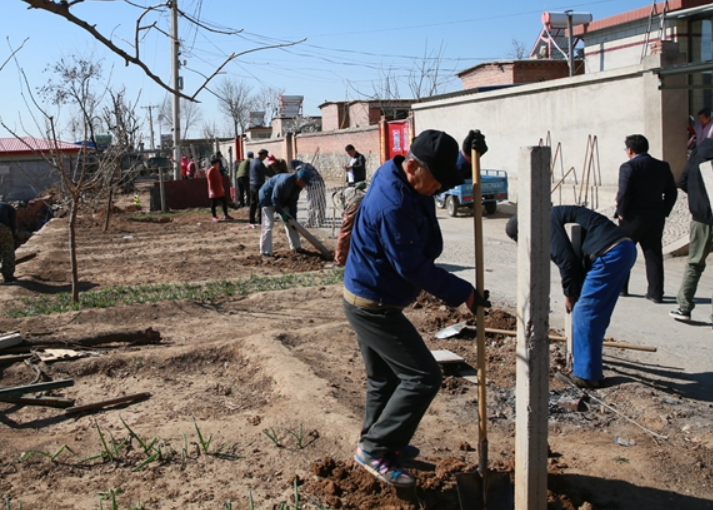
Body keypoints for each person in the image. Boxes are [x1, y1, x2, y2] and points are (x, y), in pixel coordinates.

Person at [344, 129, 491, 488]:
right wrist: (465, 293)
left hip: (368, 296)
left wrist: (467, 159)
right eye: (434, 183)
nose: (438, 189)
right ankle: (377, 449)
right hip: (374, 306)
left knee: (385, 378)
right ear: (411, 167)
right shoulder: (392, 204)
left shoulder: (402, 171)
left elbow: (437, 172)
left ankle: (377, 444)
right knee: (424, 376)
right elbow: (412, 267)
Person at [506, 206, 637, 389]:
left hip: (608, 254)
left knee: (584, 314)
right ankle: (591, 367)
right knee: (595, 315)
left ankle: (587, 376)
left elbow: (567, 260)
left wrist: (570, 294)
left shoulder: (545, 222)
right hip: (623, 249)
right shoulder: (550, 215)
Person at [615, 134, 677, 302]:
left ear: (630, 150)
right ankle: (656, 293)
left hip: (632, 218)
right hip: (655, 216)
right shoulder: (662, 166)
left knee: (624, 253)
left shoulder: (628, 167)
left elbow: (624, 193)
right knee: (653, 255)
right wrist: (664, 210)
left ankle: (621, 288)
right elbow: (672, 191)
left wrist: (621, 212)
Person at [670, 139, 713, 323]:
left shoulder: (698, 152)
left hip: (701, 217)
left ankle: (684, 307)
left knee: (695, 263)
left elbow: (683, 181)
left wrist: (698, 198)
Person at [258, 169, 311, 258]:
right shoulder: (284, 181)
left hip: (281, 200)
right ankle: (265, 252)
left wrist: (293, 219)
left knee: (291, 224)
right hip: (267, 198)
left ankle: (296, 247)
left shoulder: (298, 186)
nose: (305, 185)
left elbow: (293, 202)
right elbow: (274, 199)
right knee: (268, 225)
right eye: (305, 183)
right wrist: (282, 214)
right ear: (299, 180)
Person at [331, 181, 367, 267]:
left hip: (355, 203)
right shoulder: (348, 191)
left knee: (345, 232)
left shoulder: (336, 197)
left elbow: (344, 213)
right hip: (367, 200)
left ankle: (339, 262)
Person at [290, 160, 326, 228]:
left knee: (312, 205)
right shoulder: (308, 165)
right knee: (321, 204)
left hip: (313, 187)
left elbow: (298, 179)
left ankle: (310, 223)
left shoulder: (299, 169)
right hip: (321, 184)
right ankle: (320, 221)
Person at [249, 149, 274, 224]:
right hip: (258, 184)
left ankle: (251, 219)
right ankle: (260, 220)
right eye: (265, 156)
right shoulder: (259, 163)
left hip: (251, 184)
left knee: (252, 203)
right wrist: (276, 176)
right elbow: (267, 172)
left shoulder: (253, 161)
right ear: (262, 155)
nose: (265, 158)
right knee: (259, 202)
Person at [207, 154, 234, 223]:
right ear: (213, 164)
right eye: (217, 163)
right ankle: (214, 216)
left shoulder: (216, 170)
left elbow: (220, 179)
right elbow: (210, 181)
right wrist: (211, 190)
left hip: (219, 189)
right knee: (213, 203)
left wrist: (221, 187)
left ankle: (226, 215)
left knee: (224, 202)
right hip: (214, 190)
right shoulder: (210, 171)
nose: (218, 164)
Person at [0, 200, 17, 284]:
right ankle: (8, 277)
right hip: (2, 225)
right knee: (7, 251)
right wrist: (12, 237)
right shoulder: (10, 208)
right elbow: (12, 224)